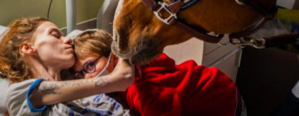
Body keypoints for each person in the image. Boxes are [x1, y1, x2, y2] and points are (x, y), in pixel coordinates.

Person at [72, 29, 247, 116]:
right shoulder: (138, 61)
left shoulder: (140, 90)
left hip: (223, 102)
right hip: (216, 83)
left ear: (114, 57)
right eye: (79, 74)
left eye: (89, 66)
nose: (86, 78)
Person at [0, 17, 134, 116]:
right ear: (28, 48)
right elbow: (123, 77)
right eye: (55, 35)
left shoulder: (79, 86)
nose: (68, 39)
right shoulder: (18, 94)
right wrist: (125, 38)